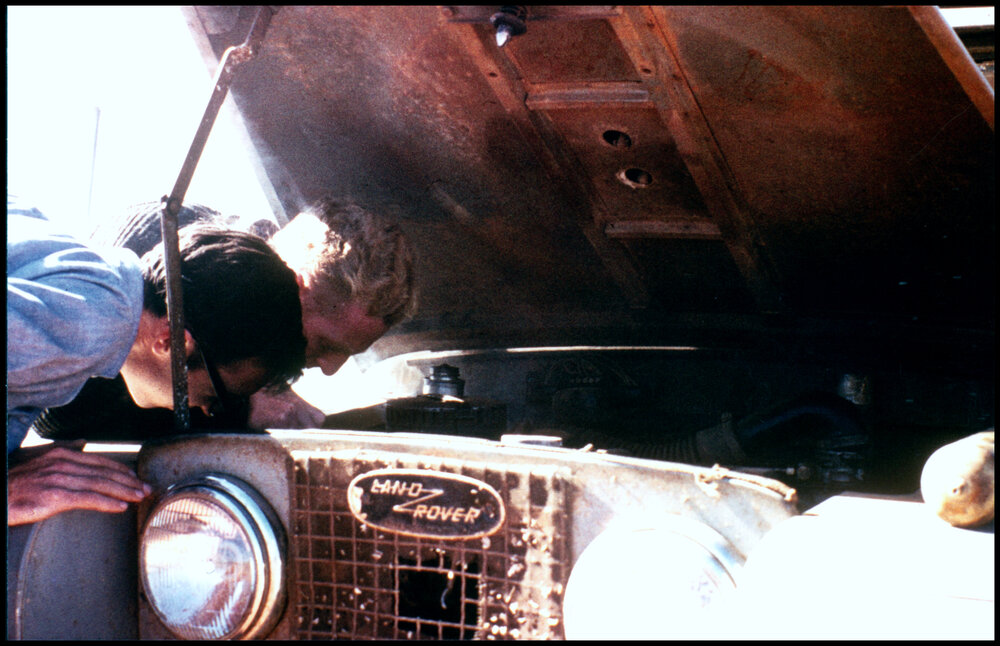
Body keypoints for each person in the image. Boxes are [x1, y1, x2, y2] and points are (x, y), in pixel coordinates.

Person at [7, 195, 306, 525]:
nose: (205, 411)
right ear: (171, 340)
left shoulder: (82, 275)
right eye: (215, 398)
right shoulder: (93, 324)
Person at [32, 196, 416, 437]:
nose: (332, 369)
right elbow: (52, 415)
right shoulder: (157, 243)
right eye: (326, 344)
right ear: (294, 287)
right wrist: (231, 403)